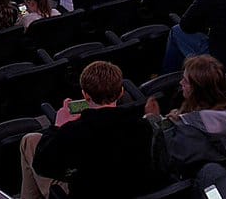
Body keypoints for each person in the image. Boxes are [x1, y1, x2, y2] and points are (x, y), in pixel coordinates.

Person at [19, 61, 145, 199]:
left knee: (28, 142)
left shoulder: (73, 132)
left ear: (85, 95)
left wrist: (58, 127)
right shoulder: (141, 124)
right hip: (130, 188)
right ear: (121, 92)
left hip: (85, 192)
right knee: (31, 139)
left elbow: (42, 167)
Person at [146, 55, 226, 179]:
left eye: (186, 81)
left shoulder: (188, 131)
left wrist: (155, 120)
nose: (180, 82)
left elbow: (165, 163)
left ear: (198, 90)